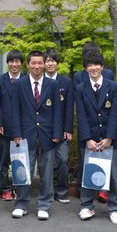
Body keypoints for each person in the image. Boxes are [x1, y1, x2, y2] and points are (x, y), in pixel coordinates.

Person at [10, 51, 63, 221]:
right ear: (28, 64)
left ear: (44, 64)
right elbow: (15, 110)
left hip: (47, 135)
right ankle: (21, 204)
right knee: (23, 171)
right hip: (25, 135)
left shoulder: (53, 85)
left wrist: (57, 133)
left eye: (40, 63)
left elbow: (57, 111)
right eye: (33, 63)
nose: (37, 66)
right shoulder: (19, 84)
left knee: (46, 172)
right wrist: (16, 133)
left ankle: (44, 205)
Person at [75, 51, 117, 224]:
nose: (93, 68)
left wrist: (109, 138)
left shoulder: (113, 86)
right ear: (85, 68)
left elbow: (115, 113)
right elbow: (81, 115)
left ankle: (115, 208)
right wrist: (88, 139)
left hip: (110, 139)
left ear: (102, 66)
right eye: (89, 65)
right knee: (89, 173)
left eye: (96, 64)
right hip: (90, 139)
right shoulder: (80, 88)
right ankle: (86, 206)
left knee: (113, 175)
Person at [0, 49, 24, 201]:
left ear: (21, 63)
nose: (14, 64)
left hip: (22, 128)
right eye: (11, 61)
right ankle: (5, 188)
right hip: (4, 127)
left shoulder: (26, 79)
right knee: (4, 160)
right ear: (7, 63)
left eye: (17, 61)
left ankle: (19, 188)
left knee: (20, 160)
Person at [44, 48, 74, 205]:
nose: (50, 63)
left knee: (62, 160)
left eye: (53, 60)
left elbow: (69, 108)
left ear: (57, 63)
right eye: (48, 60)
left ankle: (61, 191)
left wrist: (68, 129)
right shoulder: (39, 80)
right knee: (47, 163)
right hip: (44, 129)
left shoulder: (66, 82)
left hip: (62, 129)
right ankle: (47, 192)